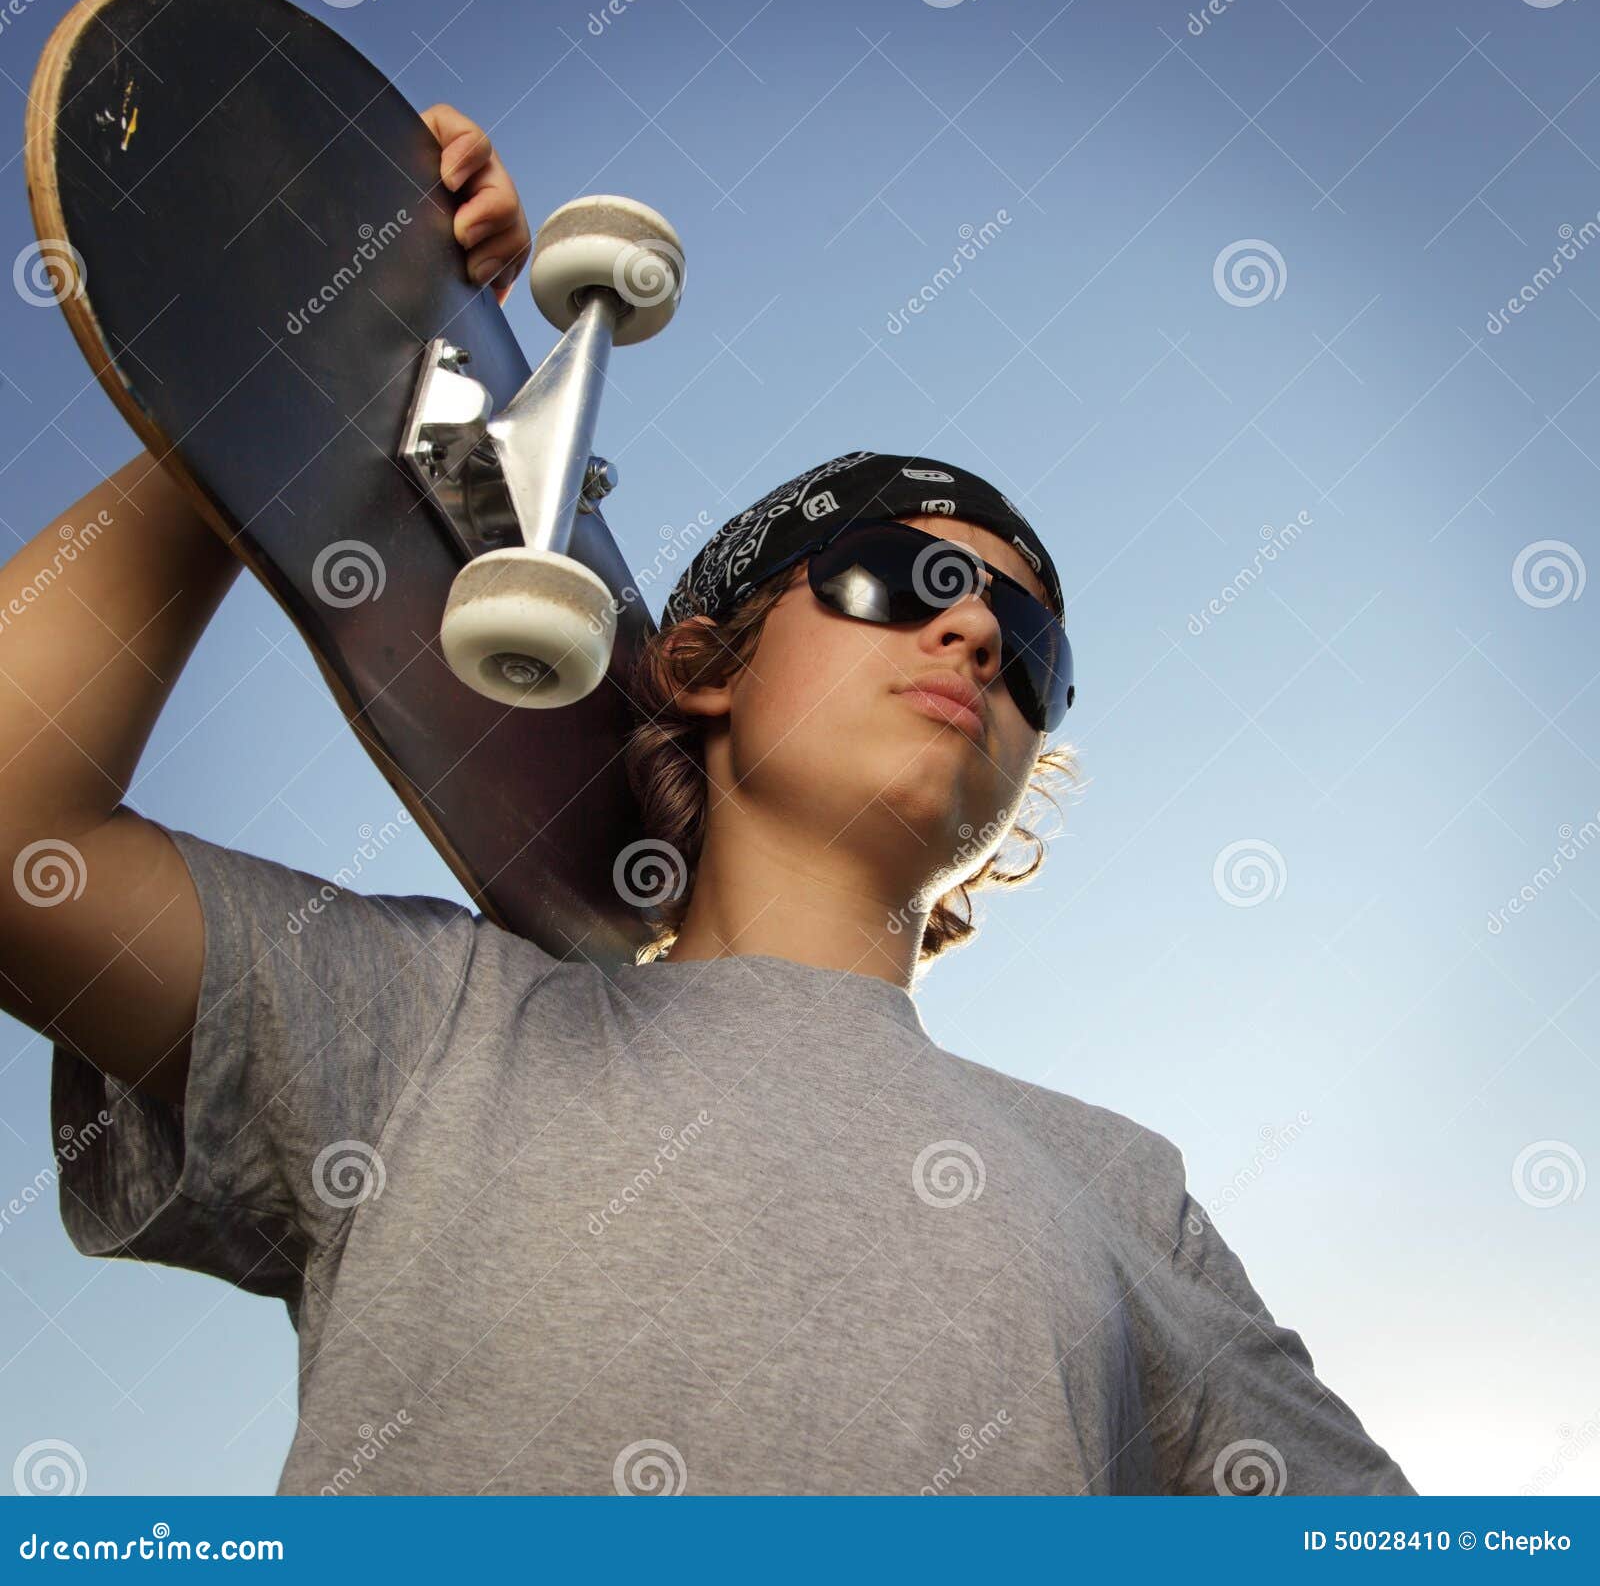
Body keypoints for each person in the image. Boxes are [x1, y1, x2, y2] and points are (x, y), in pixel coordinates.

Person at [0, 111, 1414, 1499]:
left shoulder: (1124, 1187)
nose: (977, 640)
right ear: (705, 662)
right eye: (907, 580)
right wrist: (297, 382)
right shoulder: (432, 1023)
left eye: (1029, 649)